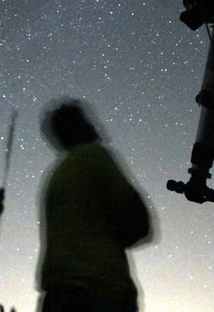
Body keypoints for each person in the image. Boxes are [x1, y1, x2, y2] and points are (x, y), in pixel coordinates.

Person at [37, 99, 153, 312]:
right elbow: (138, 222)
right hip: (101, 290)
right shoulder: (96, 156)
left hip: (57, 294)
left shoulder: (56, 176)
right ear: (80, 126)